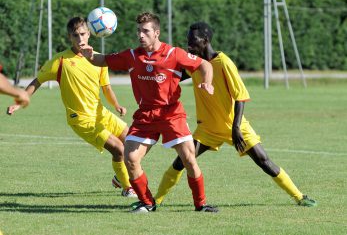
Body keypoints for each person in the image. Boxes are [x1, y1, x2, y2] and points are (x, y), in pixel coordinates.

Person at [154, 22, 317, 207]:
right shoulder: (196, 63)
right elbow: (173, 75)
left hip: (235, 125)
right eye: (188, 41)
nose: (189, 45)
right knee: (182, 161)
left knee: (263, 160)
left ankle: (299, 197)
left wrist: (236, 127)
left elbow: (241, 97)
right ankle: (155, 201)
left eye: (193, 41)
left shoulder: (224, 63)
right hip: (207, 129)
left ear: (205, 40)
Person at [80, 12, 218, 213]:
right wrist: (89, 55)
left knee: (189, 158)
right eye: (139, 31)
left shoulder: (173, 54)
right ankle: (147, 203)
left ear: (157, 33)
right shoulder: (133, 56)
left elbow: (204, 64)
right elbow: (103, 60)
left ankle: (201, 204)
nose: (141, 35)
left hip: (171, 113)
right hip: (145, 115)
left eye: (145, 31)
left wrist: (207, 82)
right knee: (130, 158)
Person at [7, 17, 136, 198]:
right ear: (70, 37)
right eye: (75, 35)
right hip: (81, 119)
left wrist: (116, 105)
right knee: (118, 149)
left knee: (133, 142)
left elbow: (106, 87)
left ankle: (118, 177)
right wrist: (19, 102)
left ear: (89, 34)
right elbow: (37, 81)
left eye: (83, 34)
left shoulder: (98, 59)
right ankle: (127, 187)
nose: (80, 38)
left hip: (100, 113)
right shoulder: (60, 61)